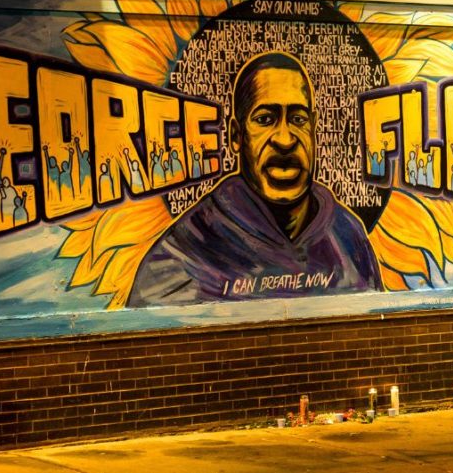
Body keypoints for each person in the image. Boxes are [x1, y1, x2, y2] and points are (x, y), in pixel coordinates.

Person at [128, 51, 382, 306]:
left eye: (297, 119)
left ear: (314, 129)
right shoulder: (183, 254)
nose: (285, 139)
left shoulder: (348, 236)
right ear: (236, 136)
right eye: (265, 119)